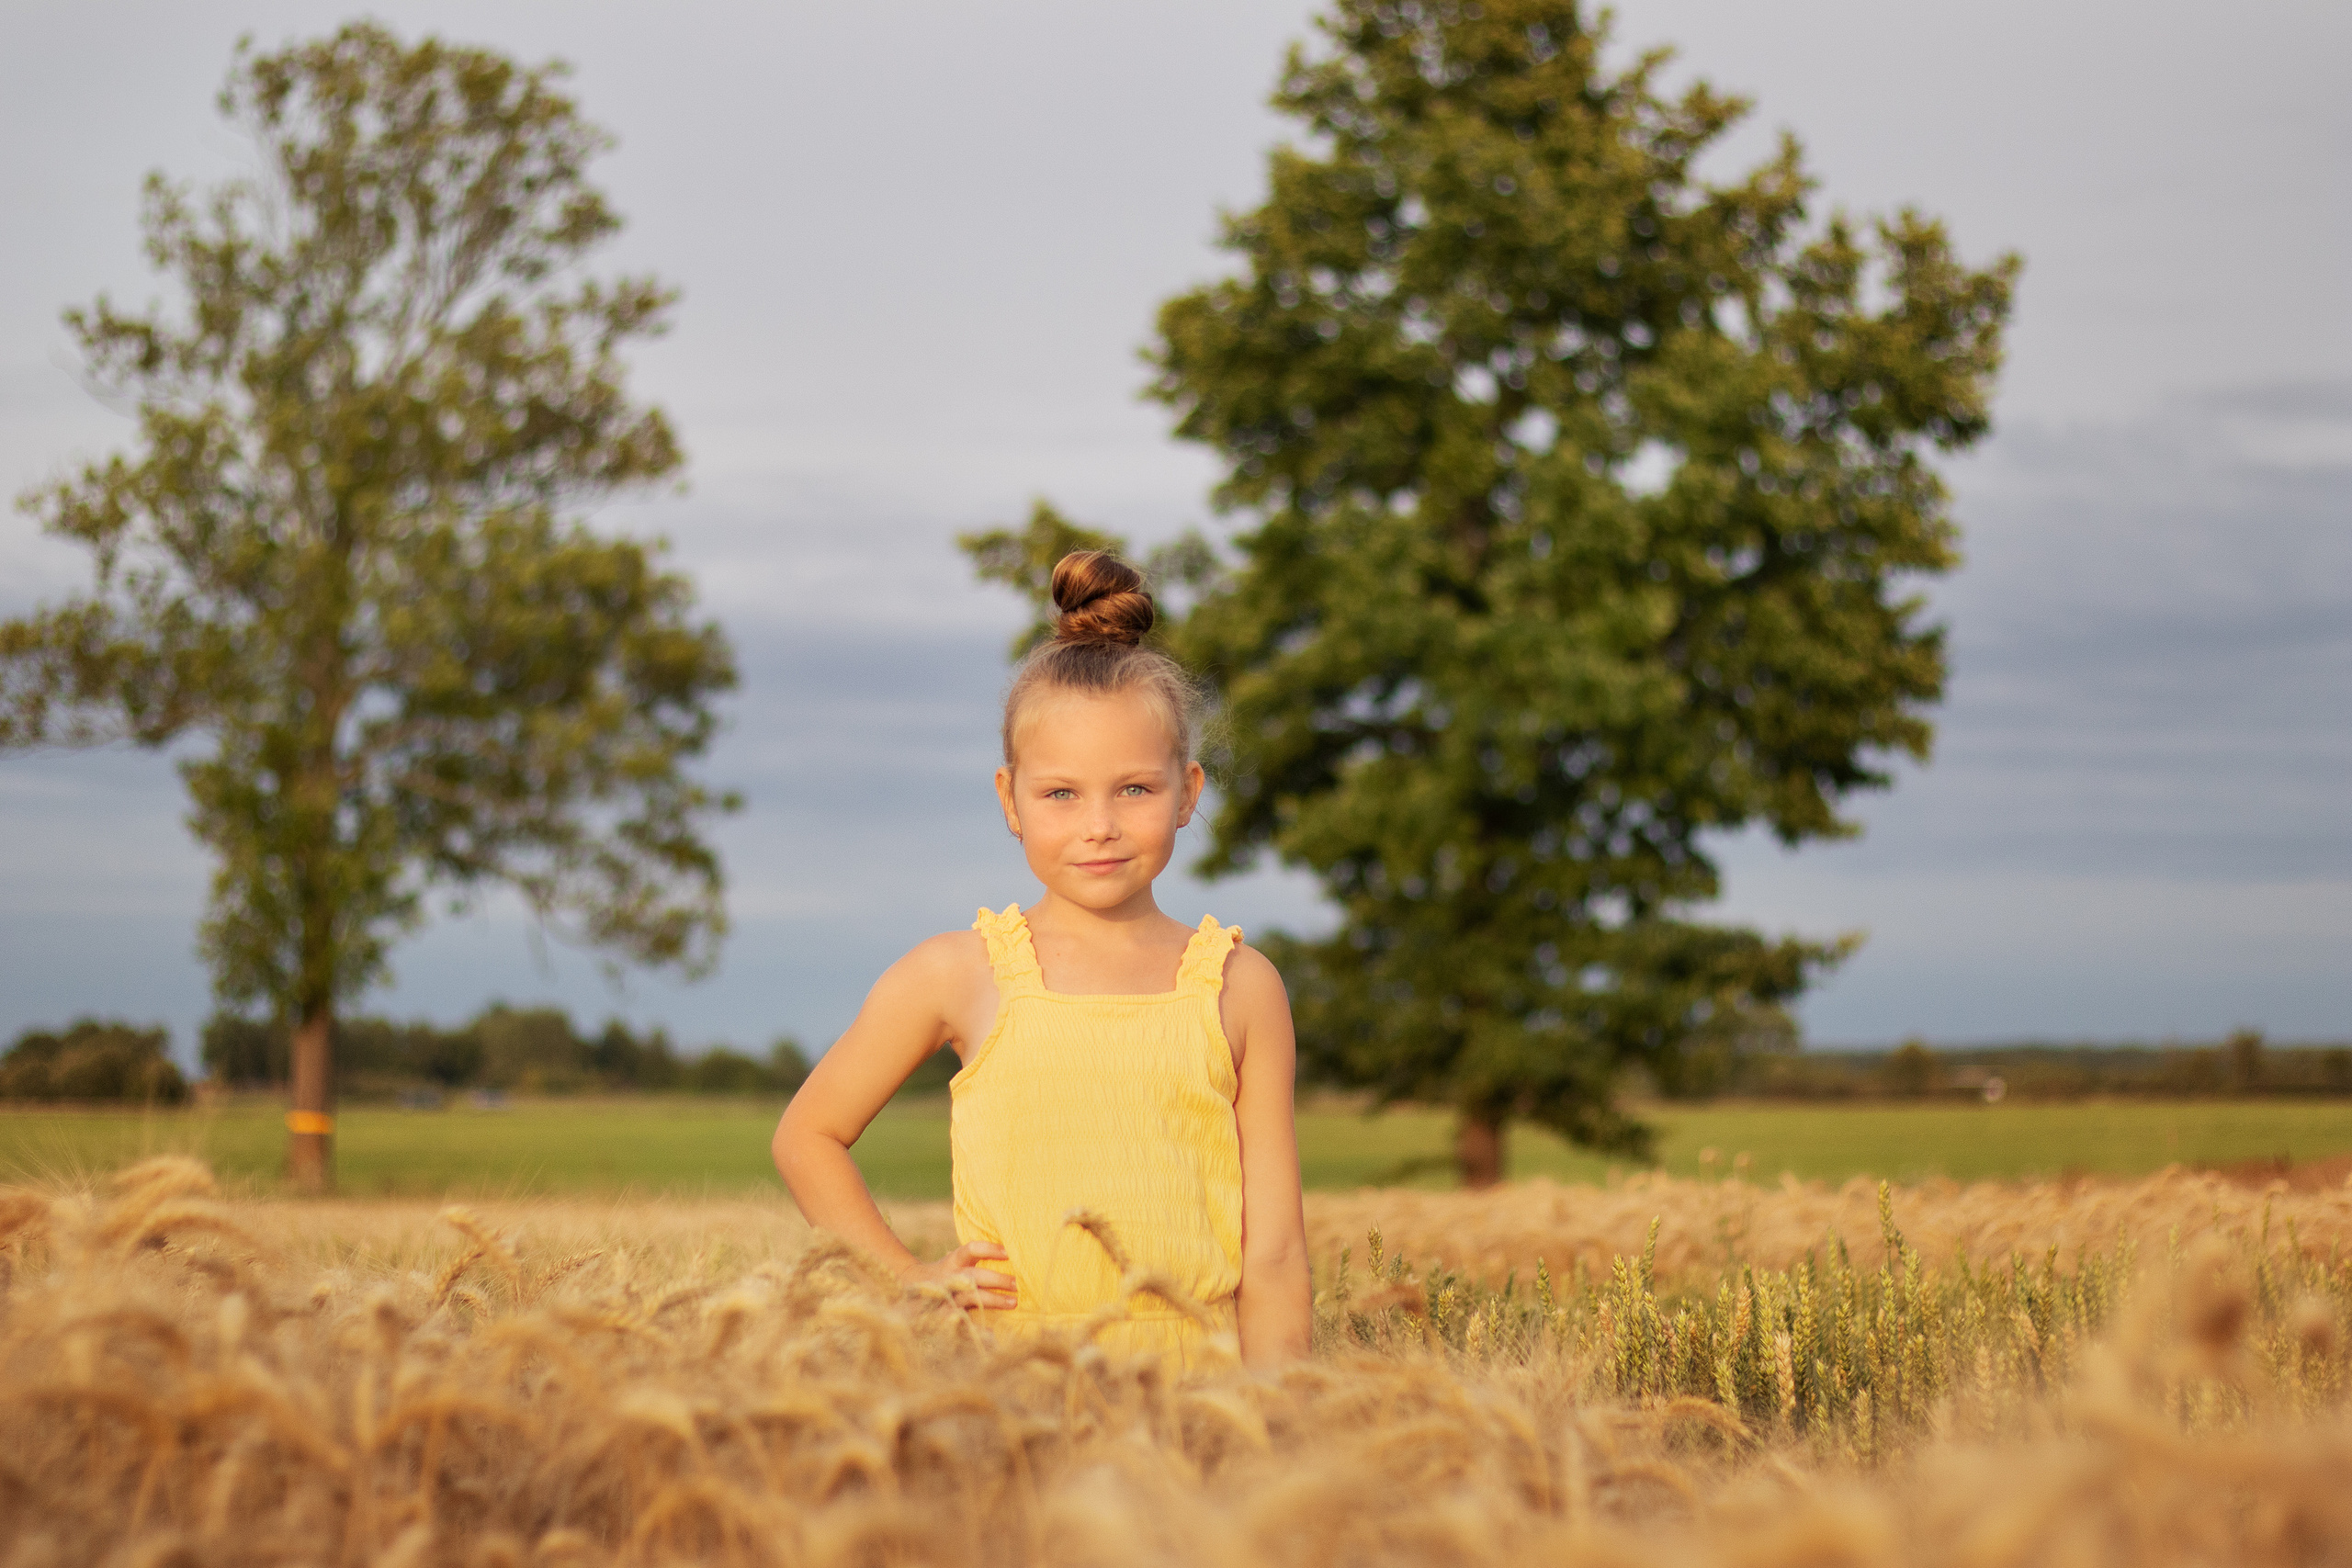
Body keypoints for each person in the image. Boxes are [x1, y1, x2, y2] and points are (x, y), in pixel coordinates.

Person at [772, 549, 1312, 1371]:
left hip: (1197, 1399)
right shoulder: (959, 973)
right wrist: (907, 1278)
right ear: (1009, 800)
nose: (1099, 824)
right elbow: (807, 1134)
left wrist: (1282, 1422)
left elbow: (1271, 1253)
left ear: (1189, 791)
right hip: (1012, 1396)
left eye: (1134, 789)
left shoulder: (1240, 987)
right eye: (1061, 793)